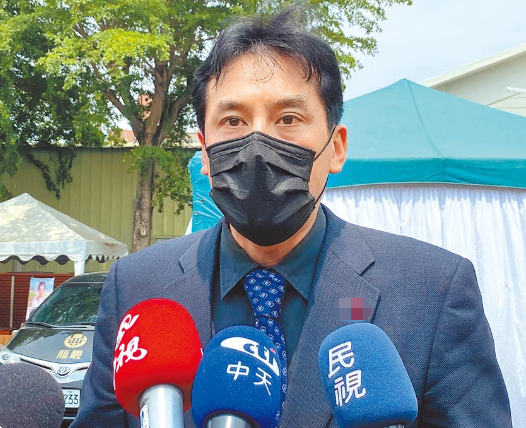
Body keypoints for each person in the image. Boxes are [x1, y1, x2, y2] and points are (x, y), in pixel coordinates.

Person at [71, 8, 512, 428]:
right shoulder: (137, 288)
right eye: (233, 121)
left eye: (287, 118)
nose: (258, 145)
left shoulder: (432, 291)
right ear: (204, 151)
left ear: (336, 147)